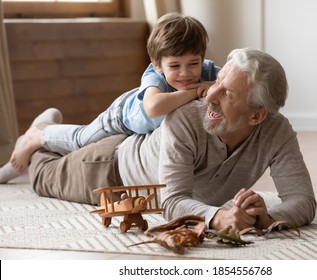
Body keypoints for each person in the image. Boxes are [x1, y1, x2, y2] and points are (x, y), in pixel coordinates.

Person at [25, 48, 317, 231]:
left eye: (226, 94)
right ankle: (39, 132)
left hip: (131, 158)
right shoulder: (186, 118)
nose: (210, 95)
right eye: (217, 83)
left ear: (257, 116)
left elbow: (302, 200)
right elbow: (172, 200)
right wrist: (219, 217)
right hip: (110, 167)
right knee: (41, 174)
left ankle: (48, 132)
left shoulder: (277, 132)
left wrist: (267, 216)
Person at [1, 12, 219, 182]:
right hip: (121, 117)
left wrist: (215, 84)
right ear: (157, 64)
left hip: (143, 133)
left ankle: (41, 130)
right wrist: (195, 91)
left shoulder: (207, 71)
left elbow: (235, 81)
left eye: (194, 63)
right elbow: (153, 108)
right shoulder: (155, 76)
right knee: (81, 140)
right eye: (175, 66)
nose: (186, 73)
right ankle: (36, 136)